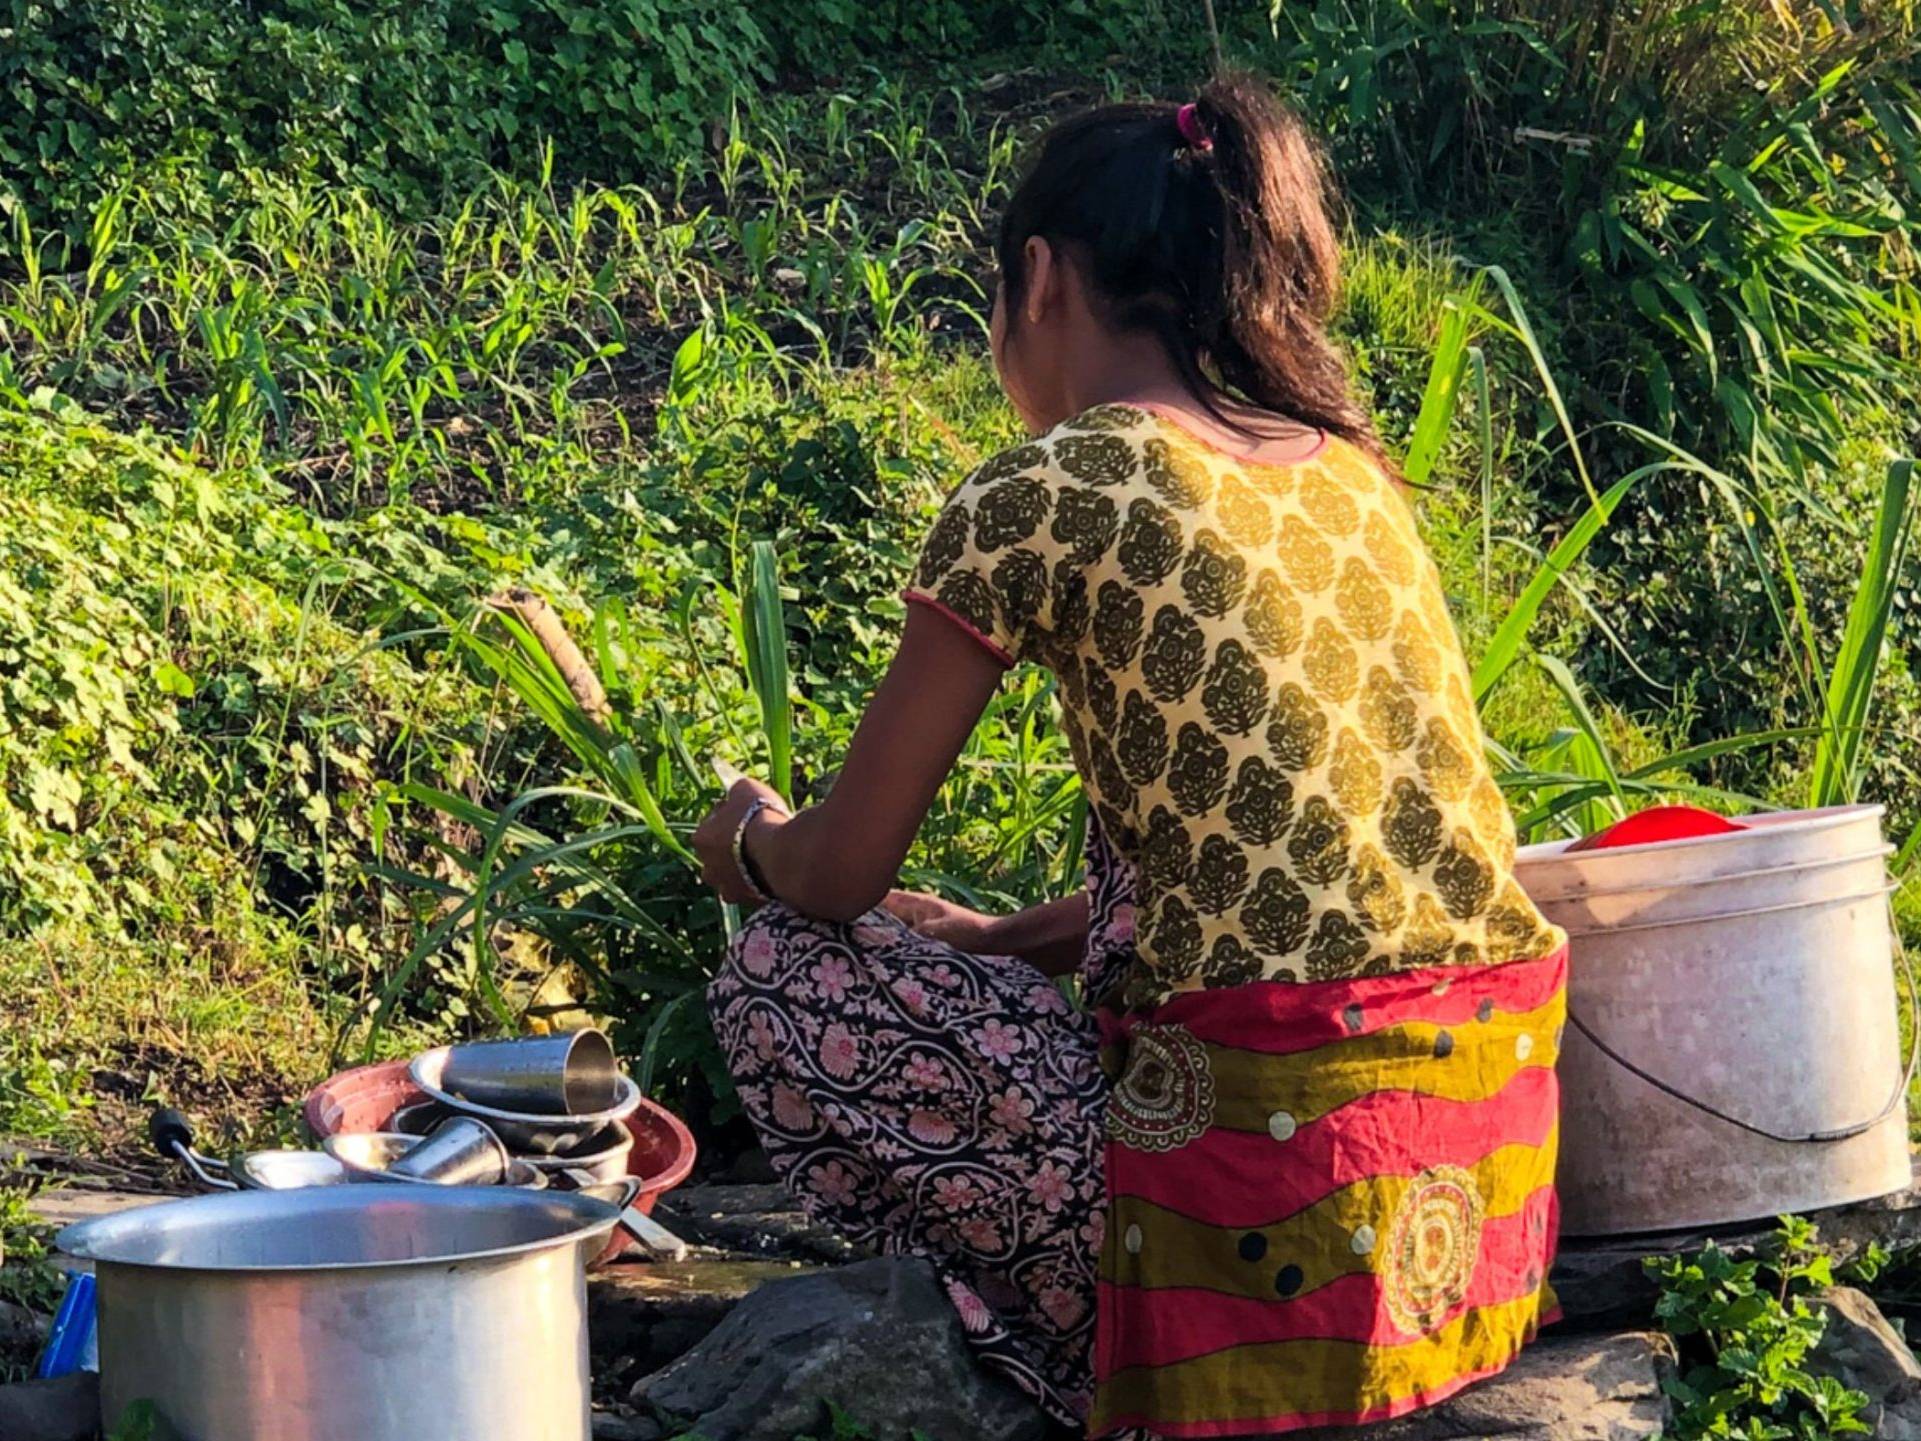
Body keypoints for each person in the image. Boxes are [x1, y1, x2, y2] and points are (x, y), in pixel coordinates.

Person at [692, 72, 1568, 1440]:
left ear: (1035, 279)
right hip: (1464, 1189)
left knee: (777, 974)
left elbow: (838, 874)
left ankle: (1094, 1353)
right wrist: (992, 939)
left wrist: (743, 837)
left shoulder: (1053, 488)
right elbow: (1273, 873)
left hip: (1263, 1202)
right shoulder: (1342, 471)